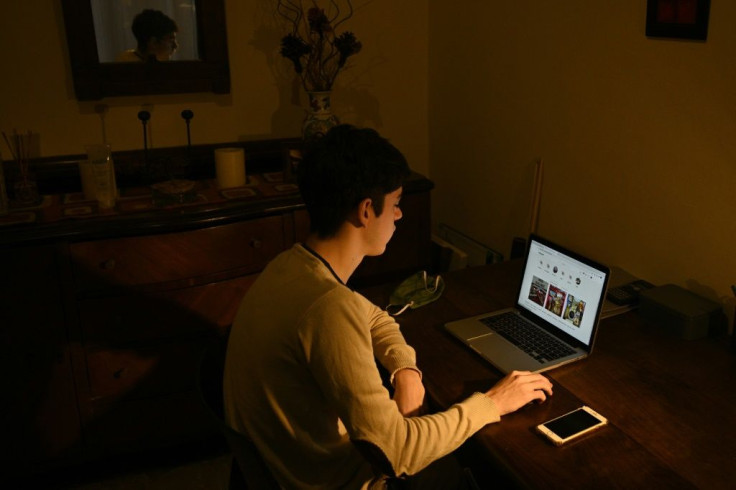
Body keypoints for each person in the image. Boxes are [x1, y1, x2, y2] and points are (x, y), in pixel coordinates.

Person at [223, 124, 553, 489]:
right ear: (366, 210)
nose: (398, 215)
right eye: (395, 204)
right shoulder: (327, 308)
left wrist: (404, 371)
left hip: (290, 466)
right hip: (341, 479)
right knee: (488, 465)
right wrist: (492, 402)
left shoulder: (291, 266)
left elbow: (376, 317)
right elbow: (397, 454)